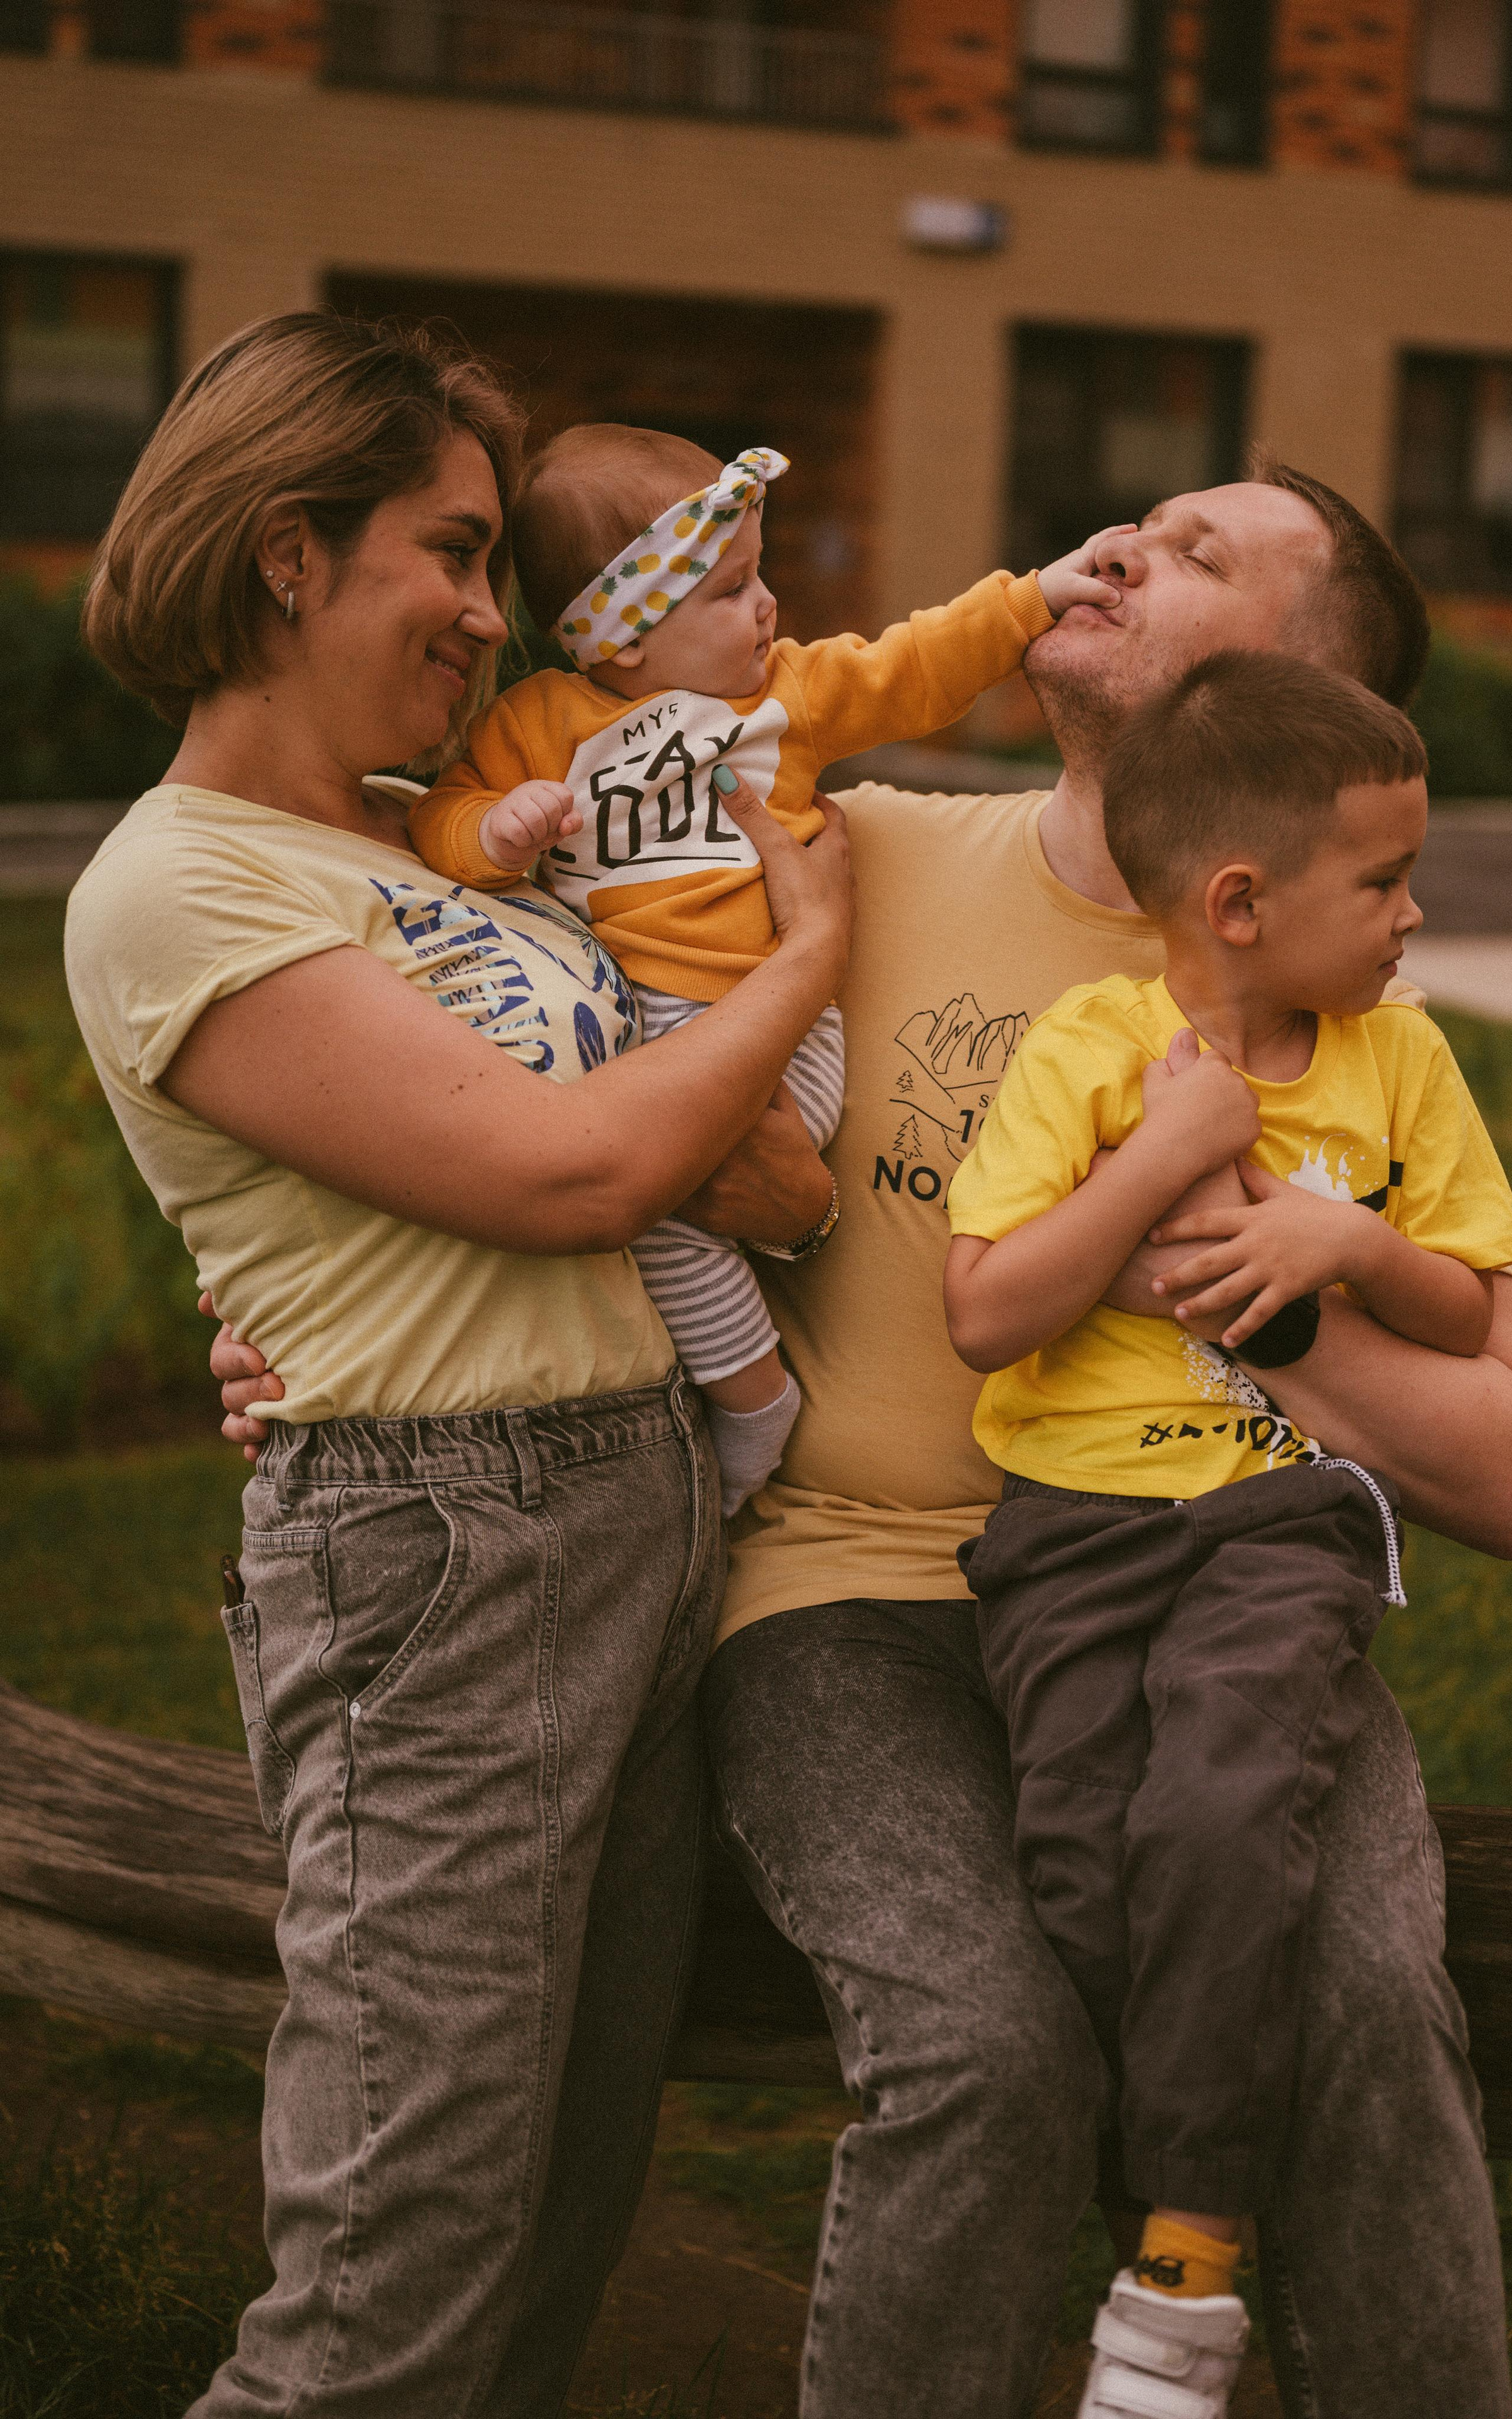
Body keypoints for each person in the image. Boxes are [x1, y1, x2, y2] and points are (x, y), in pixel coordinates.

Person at [217, 462, 1512, 2419]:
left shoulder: (1337, 1007)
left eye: (1196, 557)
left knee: (1358, 2000)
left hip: (1211, 1588)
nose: (1112, 546)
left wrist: (1259, 1280)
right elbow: (500, 1043)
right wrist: (303, 1311)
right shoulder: (839, 849)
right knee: (985, 2043)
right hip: (846, 1589)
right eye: (1133, 520)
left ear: (1303, 694)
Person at [65, 309, 850, 2419]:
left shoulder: (430, 830)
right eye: (454, 547)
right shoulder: (180, 880)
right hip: (445, 1558)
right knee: (387, 2298)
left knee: (543, 2246)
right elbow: (577, 1163)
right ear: (287, 551)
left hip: (630, 1520)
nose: (496, 613)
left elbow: (745, 1178)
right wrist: (813, 970)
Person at [945, 650, 1512, 2416]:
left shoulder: (1401, 1064)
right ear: (1240, 902)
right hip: (1070, 1526)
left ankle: (1188, 2268)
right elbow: (988, 1313)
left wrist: (1347, 1249)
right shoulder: (1093, 1053)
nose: (1415, 913)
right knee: (1081, 1856)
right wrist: (1165, 1155)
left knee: (1221, 1806)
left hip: (1282, 1516)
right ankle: (1165, 2191)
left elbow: (1464, 1314)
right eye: (1384, 882)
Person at [407, 420, 1122, 1513]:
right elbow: (442, 821)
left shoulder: (783, 697)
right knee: (636, 1215)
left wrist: (1031, 600)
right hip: (639, 1024)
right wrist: (498, 830)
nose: (769, 607)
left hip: (779, 1028)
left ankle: (749, 1405)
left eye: (760, 577)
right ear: (629, 636)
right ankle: (732, 1389)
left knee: (660, 1203)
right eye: (732, 589)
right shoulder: (538, 727)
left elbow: (911, 665)